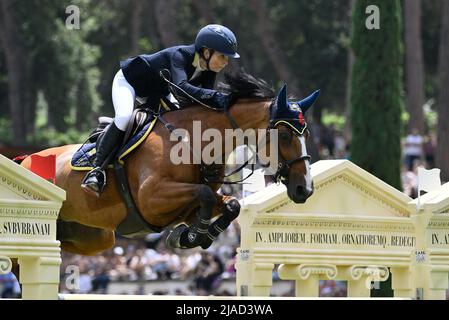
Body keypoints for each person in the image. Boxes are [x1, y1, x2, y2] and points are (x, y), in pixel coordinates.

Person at [81, 24, 240, 197]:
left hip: (157, 93)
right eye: (223, 56)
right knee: (124, 116)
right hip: (129, 82)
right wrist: (217, 96)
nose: (226, 62)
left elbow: (200, 102)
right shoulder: (180, 55)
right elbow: (181, 88)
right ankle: (96, 171)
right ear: (207, 52)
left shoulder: (209, 70)